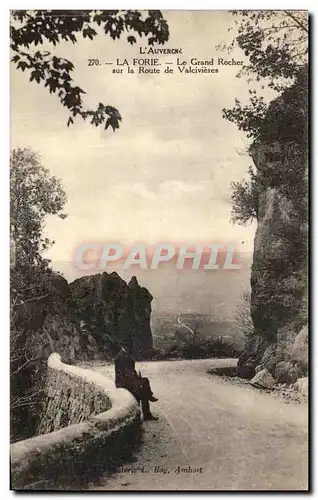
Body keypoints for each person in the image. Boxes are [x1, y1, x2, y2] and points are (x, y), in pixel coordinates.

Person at [114, 346, 159, 421]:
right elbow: (124, 373)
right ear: (123, 346)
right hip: (123, 383)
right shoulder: (121, 357)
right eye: (128, 345)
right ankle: (148, 406)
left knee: (144, 382)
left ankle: (149, 398)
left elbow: (131, 371)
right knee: (143, 389)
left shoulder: (125, 354)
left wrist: (137, 376)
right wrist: (136, 379)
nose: (130, 347)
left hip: (128, 380)